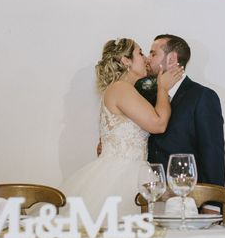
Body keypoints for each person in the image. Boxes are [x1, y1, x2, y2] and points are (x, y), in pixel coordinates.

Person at [60, 38, 183, 218]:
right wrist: (163, 89)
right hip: (122, 176)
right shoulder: (121, 89)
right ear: (126, 61)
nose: (146, 59)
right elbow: (159, 124)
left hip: (129, 171)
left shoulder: (122, 89)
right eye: (140, 53)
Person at [145, 34, 225, 187]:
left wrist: (212, 205)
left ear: (171, 58)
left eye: (153, 53)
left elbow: (212, 154)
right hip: (153, 195)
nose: (148, 59)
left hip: (189, 197)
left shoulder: (202, 96)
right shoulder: (150, 97)